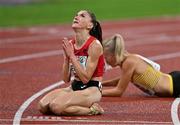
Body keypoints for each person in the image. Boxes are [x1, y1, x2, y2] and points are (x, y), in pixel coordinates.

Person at [38, 10, 105, 115]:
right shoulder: (70, 44)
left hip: (91, 89)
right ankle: (73, 103)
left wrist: (72, 56)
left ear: (90, 25)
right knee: (42, 106)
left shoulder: (94, 45)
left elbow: (86, 79)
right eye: (76, 15)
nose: (76, 17)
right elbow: (65, 79)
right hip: (74, 87)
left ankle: (93, 110)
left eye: (82, 16)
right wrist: (67, 58)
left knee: (56, 107)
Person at [102, 34, 180, 97]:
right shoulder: (126, 60)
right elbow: (122, 80)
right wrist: (100, 84)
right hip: (171, 80)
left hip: (175, 84)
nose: (105, 60)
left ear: (114, 54)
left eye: (106, 57)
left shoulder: (129, 62)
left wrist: (96, 92)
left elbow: (119, 91)